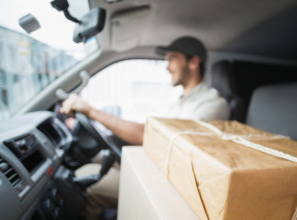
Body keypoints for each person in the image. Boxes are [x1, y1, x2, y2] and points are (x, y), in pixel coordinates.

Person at [60, 36, 230, 220]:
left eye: (172, 58)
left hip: (170, 188)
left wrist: (91, 111)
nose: (167, 66)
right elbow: (149, 130)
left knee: (87, 182)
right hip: (152, 169)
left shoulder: (213, 105)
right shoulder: (177, 102)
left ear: (194, 62)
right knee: (91, 166)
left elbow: (149, 135)